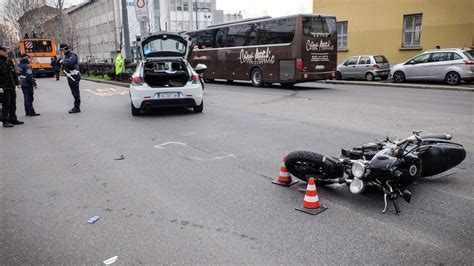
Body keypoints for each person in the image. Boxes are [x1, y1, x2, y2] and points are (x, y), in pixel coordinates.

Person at [0, 45, 23, 127]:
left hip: (11, 86)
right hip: (3, 87)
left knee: (13, 103)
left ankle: (13, 118)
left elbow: (13, 73)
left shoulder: (8, 61)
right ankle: (5, 120)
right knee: (6, 104)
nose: (5, 52)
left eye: (5, 50)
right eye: (3, 50)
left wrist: (17, 83)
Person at [59, 43, 81, 113]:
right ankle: (76, 106)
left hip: (74, 76)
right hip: (70, 76)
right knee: (73, 92)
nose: (62, 51)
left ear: (65, 48)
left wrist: (63, 61)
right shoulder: (67, 56)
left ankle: (77, 107)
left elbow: (70, 63)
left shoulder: (72, 55)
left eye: (62, 50)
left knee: (75, 92)